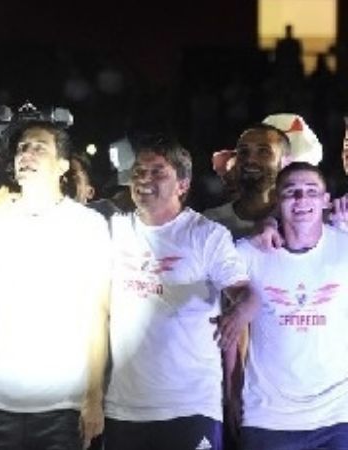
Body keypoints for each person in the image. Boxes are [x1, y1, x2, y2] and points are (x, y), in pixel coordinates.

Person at [101, 134, 258, 450]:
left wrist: (240, 311)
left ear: (182, 185)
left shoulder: (206, 235)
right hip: (123, 407)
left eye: (158, 172)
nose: (145, 180)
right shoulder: (113, 230)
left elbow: (246, 294)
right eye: (139, 173)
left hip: (191, 405)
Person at [0, 121, 111, 450]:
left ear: (62, 165)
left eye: (39, 147)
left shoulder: (88, 225)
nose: (26, 154)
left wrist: (93, 398)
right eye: (21, 148)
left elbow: (97, 314)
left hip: (64, 408)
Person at [234, 162, 348, 449]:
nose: (301, 199)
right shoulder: (247, 253)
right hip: (268, 416)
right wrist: (230, 396)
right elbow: (228, 331)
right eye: (291, 191)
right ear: (276, 198)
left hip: (337, 415)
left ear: (325, 201)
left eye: (311, 191)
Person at [204, 124, 289, 239]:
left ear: (285, 163)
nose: (250, 160)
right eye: (243, 152)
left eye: (263, 152)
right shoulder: (210, 223)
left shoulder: (296, 220)